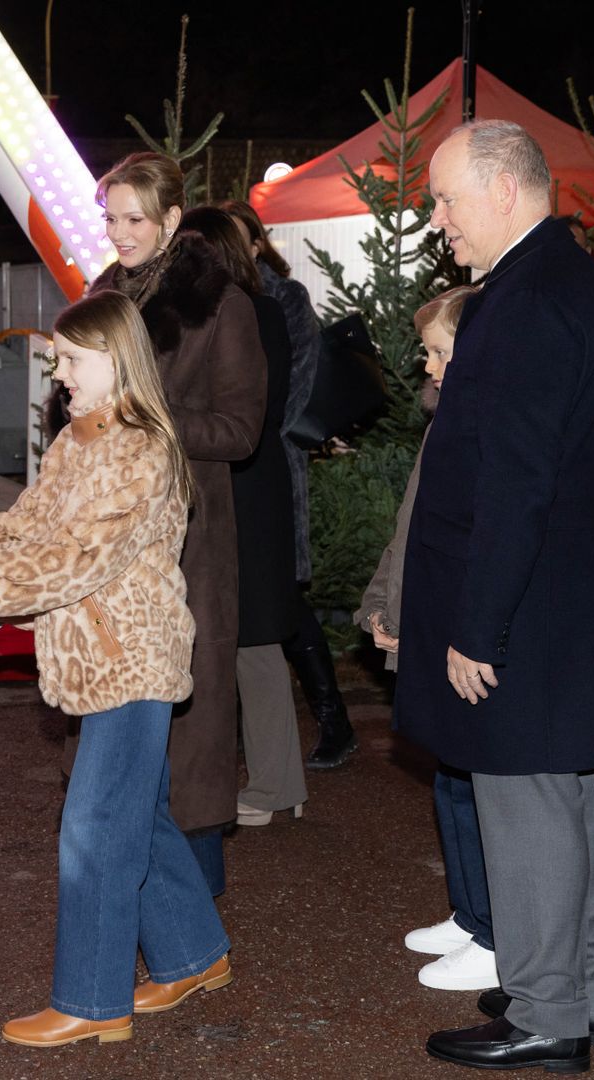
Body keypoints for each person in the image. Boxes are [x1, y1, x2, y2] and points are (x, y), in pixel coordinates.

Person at [0, 291, 231, 1048]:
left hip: (130, 656)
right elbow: (28, 527)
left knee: (95, 831)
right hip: (100, 654)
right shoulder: (81, 439)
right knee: (139, 814)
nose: (57, 371)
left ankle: (94, 1001)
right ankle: (194, 955)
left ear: (115, 358)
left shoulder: (139, 449)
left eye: (71, 359)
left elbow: (77, 561)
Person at [395, 121, 594, 1072]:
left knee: (527, 807)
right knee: (563, 799)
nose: (438, 220)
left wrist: (478, 625)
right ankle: (576, 997)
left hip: (529, 610)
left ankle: (546, 1014)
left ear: (504, 189)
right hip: (563, 602)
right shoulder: (565, 283)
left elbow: (515, 480)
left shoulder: (527, 300)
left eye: (447, 199)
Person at [85, 154, 266, 893]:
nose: (119, 232)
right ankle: (129, 881)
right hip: (109, 536)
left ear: (169, 222)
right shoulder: (104, 294)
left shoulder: (222, 306)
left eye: (134, 219)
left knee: (188, 726)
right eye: (111, 218)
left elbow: (240, 430)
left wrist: (144, 417)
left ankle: (195, 906)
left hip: (188, 539)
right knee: (119, 715)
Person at [355, 285, 498, 992]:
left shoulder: (474, 431)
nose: (427, 367)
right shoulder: (443, 425)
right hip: (430, 619)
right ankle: (472, 915)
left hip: (459, 630)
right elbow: (410, 533)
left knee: (473, 784)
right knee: (450, 778)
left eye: (438, 353)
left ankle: (496, 932)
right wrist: (383, 603)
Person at [180, 205, 306, 826]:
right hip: (249, 483)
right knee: (246, 638)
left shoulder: (243, 311)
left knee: (250, 638)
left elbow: (245, 416)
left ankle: (276, 782)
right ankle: (276, 780)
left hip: (242, 487)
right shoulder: (258, 309)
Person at [221, 199, 356, 769]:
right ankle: (252, 734)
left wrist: (255, 433)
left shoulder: (284, 298)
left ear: (256, 244)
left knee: (280, 594)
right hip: (232, 463)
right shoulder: (224, 300)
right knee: (249, 593)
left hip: (272, 461)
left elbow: (297, 386)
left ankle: (333, 720)